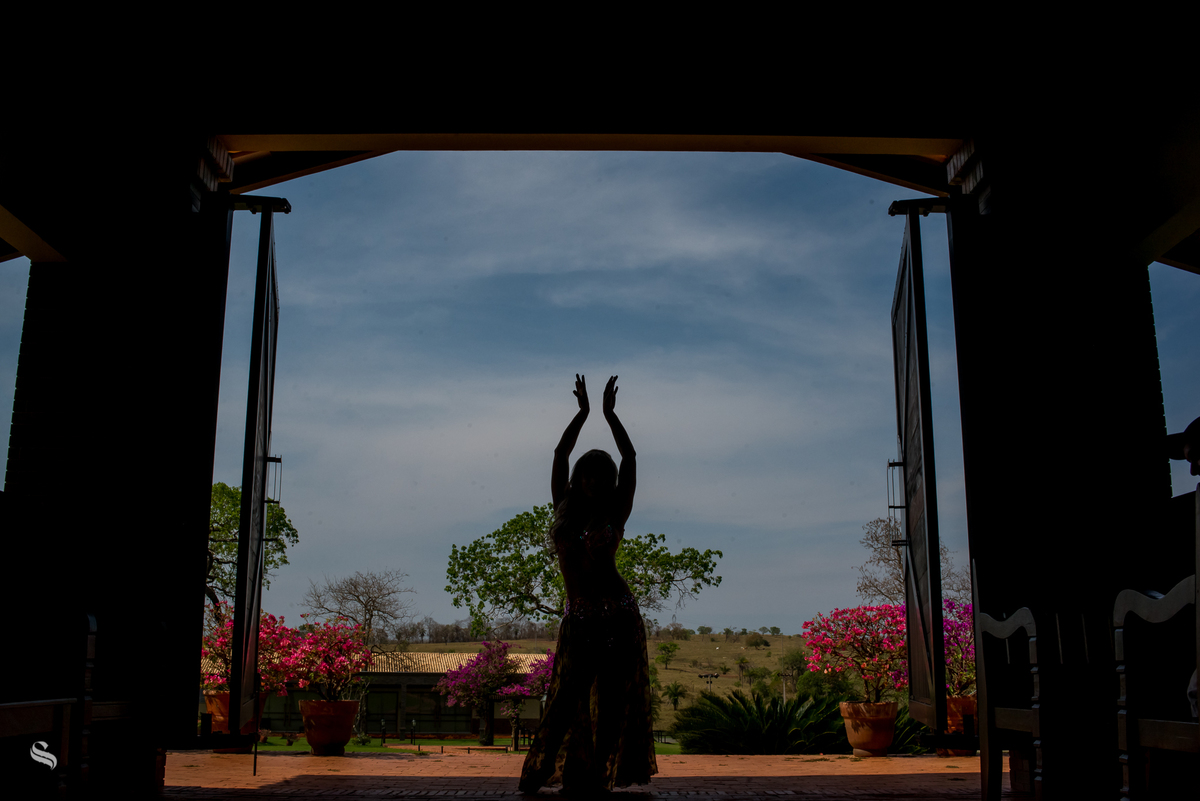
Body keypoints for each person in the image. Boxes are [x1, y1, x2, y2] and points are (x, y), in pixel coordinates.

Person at [518, 374, 658, 795]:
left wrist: (611, 415)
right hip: (579, 618)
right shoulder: (562, 505)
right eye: (588, 474)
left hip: (618, 615)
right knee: (567, 695)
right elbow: (560, 453)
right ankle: (545, 766)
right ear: (578, 478)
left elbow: (629, 456)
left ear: (611, 481)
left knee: (611, 699)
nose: (595, 480)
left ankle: (599, 775)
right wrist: (582, 413)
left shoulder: (617, 512)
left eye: (602, 475)